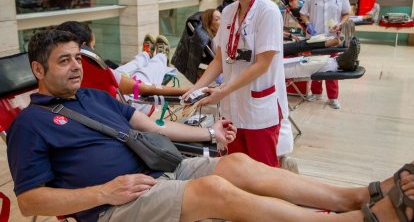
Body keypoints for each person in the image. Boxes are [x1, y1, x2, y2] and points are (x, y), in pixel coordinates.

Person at [7, 29, 414, 222]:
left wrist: (210, 135)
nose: (77, 66)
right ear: (39, 70)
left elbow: (156, 130)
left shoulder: (95, 97)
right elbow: (30, 202)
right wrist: (104, 191)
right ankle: (347, 221)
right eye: (65, 61)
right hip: (115, 203)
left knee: (236, 165)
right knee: (216, 189)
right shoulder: (30, 124)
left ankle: (356, 194)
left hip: (161, 166)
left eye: (78, 57)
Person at [183, 0, 288, 167]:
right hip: (232, 110)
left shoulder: (267, 12)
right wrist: (196, 89)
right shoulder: (229, 12)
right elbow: (219, 61)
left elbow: (262, 64)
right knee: (234, 170)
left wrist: (223, 90)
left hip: (259, 110)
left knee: (263, 176)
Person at [55, 21, 188, 114]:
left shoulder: (56, 71)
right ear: (84, 47)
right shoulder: (97, 72)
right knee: (143, 75)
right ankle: (161, 57)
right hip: (133, 102)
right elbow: (144, 88)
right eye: (93, 46)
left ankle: (146, 55)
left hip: (111, 94)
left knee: (122, 70)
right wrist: (185, 91)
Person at [300, 0, 351, 110]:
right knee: (315, 65)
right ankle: (316, 93)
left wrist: (340, 24)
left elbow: (347, 13)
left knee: (331, 67)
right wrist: (308, 23)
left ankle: (333, 98)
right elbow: (303, 13)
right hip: (316, 38)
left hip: (332, 38)